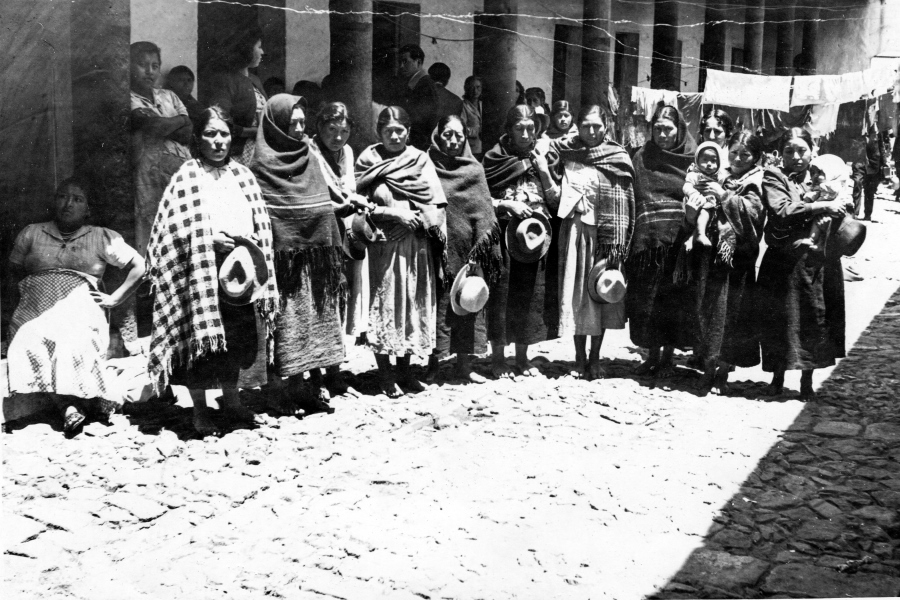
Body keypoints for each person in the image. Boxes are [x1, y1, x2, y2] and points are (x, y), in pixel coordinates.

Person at [146, 106, 279, 437]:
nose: (219, 141)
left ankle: (232, 401)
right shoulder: (187, 177)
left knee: (235, 339)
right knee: (202, 344)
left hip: (240, 271)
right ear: (198, 138)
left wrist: (242, 244)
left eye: (224, 134)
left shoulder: (243, 175)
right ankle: (201, 410)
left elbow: (260, 224)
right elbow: (170, 229)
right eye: (211, 134)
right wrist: (207, 241)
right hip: (200, 272)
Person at [7, 178, 146, 436]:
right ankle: (69, 406)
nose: (68, 204)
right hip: (35, 308)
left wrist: (115, 298)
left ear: (88, 209)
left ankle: (69, 407)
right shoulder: (32, 233)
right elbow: (12, 270)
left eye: (77, 199)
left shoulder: (101, 237)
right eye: (62, 197)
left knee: (72, 339)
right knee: (28, 338)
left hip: (80, 306)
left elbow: (140, 266)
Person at [250, 95, 347, 415]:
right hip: (280, 264)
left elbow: (327, 198)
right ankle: (278, 391)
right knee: (283, 327)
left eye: (303, 124)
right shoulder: (261, 162)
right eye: (293, 125)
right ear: (276, 126)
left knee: (312, 323)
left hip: (314, 261)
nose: (300, 131)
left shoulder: (310, 154)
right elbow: (259, 212)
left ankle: (304, 386)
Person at [355, 106, 447, 397]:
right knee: (385, 304)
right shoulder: (368, 160)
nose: (394, 136)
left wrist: (413, 222)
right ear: (378, 132)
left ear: (408, 131)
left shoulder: (420, 159)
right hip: (382, 243)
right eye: (388, 131)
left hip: (414, 244)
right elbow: (355, 202)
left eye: (400, 131)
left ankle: (405, 372)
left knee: (409, 302)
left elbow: (435, 204)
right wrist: (392, 215)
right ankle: (385, 375)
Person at [757, 127, 850, 400]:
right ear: (781, 154)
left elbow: (844, 202)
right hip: (783, 261)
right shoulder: (774, 177)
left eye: (802, 151)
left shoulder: (822, 176)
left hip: (815, 260)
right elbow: (782, 210)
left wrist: (838, 205)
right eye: (789, 151)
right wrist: (822, 207)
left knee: (813, 319)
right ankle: (777, 378)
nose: (796, 157)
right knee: (781, 320)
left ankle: (807, 381)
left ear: (812, 151)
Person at [553, 105, 635, 380]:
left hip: (607, 238)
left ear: (606, 127)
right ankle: (578, 358)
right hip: (577, 233)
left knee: (600, 295)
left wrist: (617, 243)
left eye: (597, 126)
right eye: (586, 125)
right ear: (577, 126)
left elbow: (627, 200)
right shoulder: (568, 152)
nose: (591, 131)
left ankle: (595, 358)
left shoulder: (618, 157)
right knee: (579, 294)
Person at [482, 104, 561, 378]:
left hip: (535, 238)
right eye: (520, 129)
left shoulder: (545, 156)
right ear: (508, 130)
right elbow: (482, 200)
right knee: (502, 295)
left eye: (531, 128)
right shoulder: (494, 158)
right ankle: (498, 359)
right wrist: (507, 204)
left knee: (529, 295)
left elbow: (556, 200)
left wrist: (543, 170)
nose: (527, 134)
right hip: (503, 236)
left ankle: (522, 358)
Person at [425, 115, 502, 383]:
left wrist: (480, 251)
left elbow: (484, 212)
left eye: (459, 135)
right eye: (448, 135)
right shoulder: (426, 167)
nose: (453, 140)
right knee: (434, 304)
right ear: (438, 136)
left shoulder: (474, 170)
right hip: (434, 248)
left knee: (466, 303)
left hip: (467, 252)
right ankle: (432, 363)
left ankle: (464, 365)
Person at [688, 131, 766, 395]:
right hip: (713, 255)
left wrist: (724, 196)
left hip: (738, 259)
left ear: (756, 157)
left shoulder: (756, 181)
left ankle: (723, 372)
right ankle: (707, 368)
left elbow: (753, 214)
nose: (739, 158)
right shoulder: (722, 175)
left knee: (732, 313)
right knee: (711, 309)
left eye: (745, 154)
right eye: (734, 152)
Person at [625, 105, 697, 377]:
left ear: (679, 130)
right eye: (658, 129)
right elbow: (636, 192)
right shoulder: (642, 156)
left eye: (668, 129)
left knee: (673, 302)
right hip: (648, 242)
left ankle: (668, 356)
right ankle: (652, 354)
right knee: (648, 300)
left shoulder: (691, 158)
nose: (663, 134)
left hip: (680, 242)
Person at [312, 101, 372, 394]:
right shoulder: (311, 152)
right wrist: (344, 203)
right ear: (320, 127)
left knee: (340, 296)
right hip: (316, 232)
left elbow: (347, 187)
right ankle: (314, 374)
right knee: (318, 299)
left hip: (342, 231)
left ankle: (335, 371)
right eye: (332, 130)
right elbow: (316, 193)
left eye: (344, 131)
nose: (338, 137)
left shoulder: (346, 153)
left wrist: (352, 201)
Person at [130, 41, 192, 255]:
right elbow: (153, 126)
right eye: (142, 65)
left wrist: (165, 125)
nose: (149, 71)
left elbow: (188, 131)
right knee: (152, 230)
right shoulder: (128, 99)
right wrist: (179, 121)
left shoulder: (169, 96)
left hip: (181, 169)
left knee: (182, 227)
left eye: (155, 66)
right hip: (150, 175)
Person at [203, 28, 267, 165]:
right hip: (238, 153)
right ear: (247, 49)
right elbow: (219, 120)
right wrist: (253, 132)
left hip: (261, 150)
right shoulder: (225, 81)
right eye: (259, 47)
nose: (262, 52)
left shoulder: (255, 80)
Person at [684, 142, 728, 249]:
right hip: (696, 201)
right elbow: (686, 186)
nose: (709, 164)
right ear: (697, 160)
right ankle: (700, 234)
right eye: (704, 160)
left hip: (712, 205)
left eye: (713, 160)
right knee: (704, 211)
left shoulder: (720, 176)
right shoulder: (695, 175)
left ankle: (692, 238)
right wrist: (694, 194)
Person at [397, 44, 439, 151]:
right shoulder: (416, 84)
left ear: (418, 62)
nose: (401, 66)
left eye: (405, 61)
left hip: (419, 147)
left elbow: (423, 123)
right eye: (400, 62)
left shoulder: (425, 85)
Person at [164, 65, 205, 129]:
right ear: (171, 82)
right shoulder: (165, 100)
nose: (186, 84)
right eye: (181, 80)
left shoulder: (197, 106)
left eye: (189, 80)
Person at [460, 76, 484, 158]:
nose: (475, 91)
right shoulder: (463, 105)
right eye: (471, 87)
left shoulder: (483, 105)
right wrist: (477, 131)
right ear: (466, 88)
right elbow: (461, 129)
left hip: (484, 148)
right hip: (471, 149)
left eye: (478, 87)